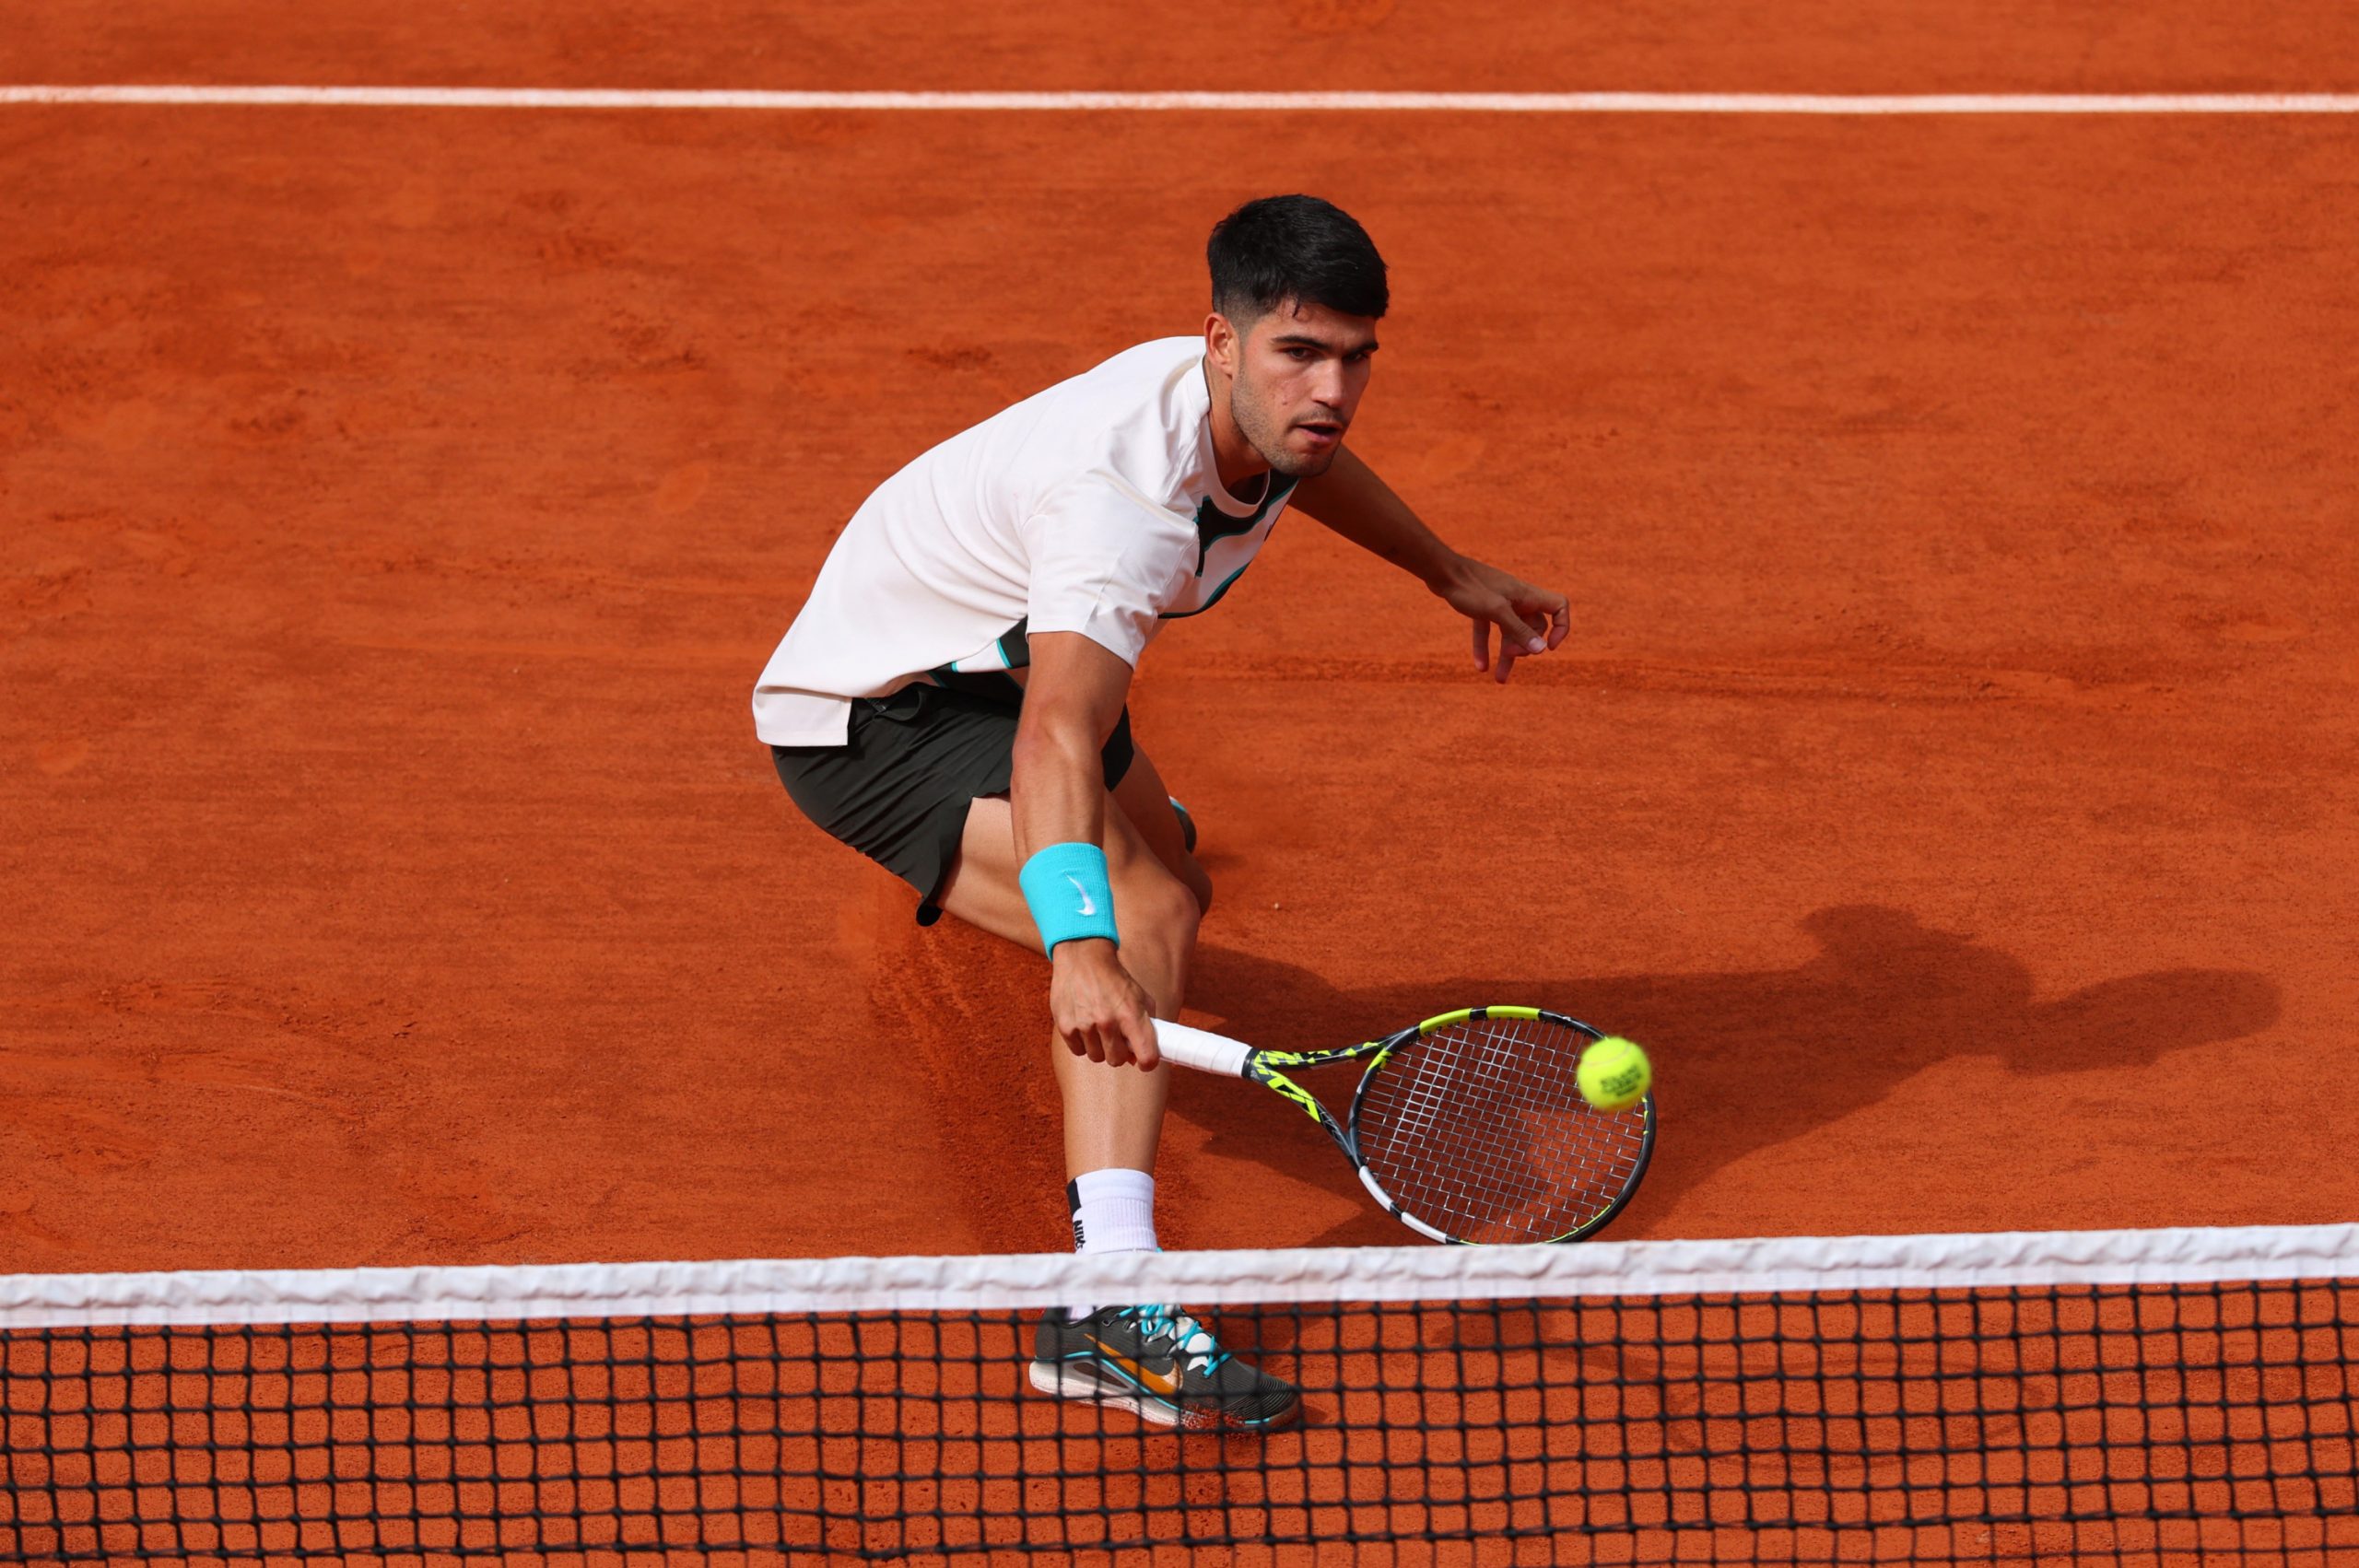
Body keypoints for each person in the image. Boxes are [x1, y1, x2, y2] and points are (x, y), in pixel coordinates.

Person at [754, 194, 1570, 1428]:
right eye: (1302, 353)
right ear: (1222, 341)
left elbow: (1310, 464)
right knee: (1137, 922)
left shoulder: (1248, 408)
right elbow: (1060, 734)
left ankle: (1063, 873)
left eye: (1356, 358)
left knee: (1176, 876)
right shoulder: (1120, 508)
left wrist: (1446, 568)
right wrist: (1082, 949)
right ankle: (1105, 1304)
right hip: (883, 715)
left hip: (1005, 662)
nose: (1334, 392)